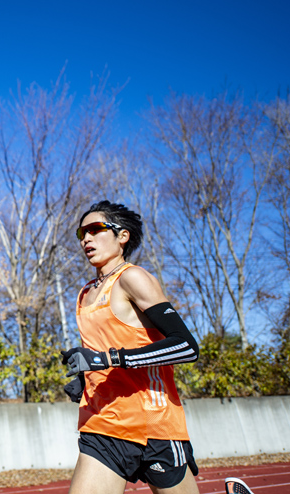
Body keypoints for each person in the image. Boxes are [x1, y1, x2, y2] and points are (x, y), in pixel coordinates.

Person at [61, 200, 200, 494]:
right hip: (103, 423)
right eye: (80, 233)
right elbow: (105, 351)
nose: (86, 238)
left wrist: (105, 359)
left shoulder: (133, 278)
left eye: (94, 229)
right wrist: (84, 377)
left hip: (154, 424)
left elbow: (186, 347)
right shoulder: (85, 293)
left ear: (122, 236)